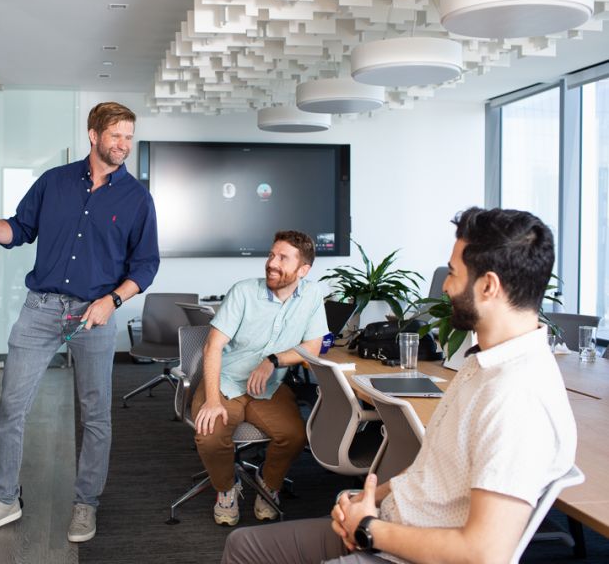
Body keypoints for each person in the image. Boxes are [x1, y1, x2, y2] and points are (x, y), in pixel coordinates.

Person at [222, 207, 577, 564]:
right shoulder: (479, 363)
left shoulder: (518, 397)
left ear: (488, 286)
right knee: (242, 546)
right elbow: (431, 471)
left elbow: (484, 554)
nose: (445, 286)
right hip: (387, 524)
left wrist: (370, 529)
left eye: (453, 273)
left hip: (399, 550)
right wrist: (370, 500)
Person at [0, 102, 159, 543]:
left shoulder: (137, 198)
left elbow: (145, 265)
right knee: (11, 408)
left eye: (129, 137)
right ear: (93, 134)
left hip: (95, 314)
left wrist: (111, 301)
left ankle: (86, 504)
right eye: (116, 135)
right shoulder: (54, 182)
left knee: (96, 415)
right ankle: (5, 499)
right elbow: (18, 232)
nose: (123, 145)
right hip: (41, 309)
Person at [194, 230, 329, 526]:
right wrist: (212, 400)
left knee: (294, 436)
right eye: (271, 255)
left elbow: (314, 347)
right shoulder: (243, 291)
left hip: (267, 388)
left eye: (282, 258)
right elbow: (212, 345)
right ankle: (227, 489)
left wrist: (274, 360)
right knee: (210, 434)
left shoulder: (312, 295)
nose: (271, 262)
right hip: (226, 381)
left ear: (303, 270)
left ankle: (269, 484)